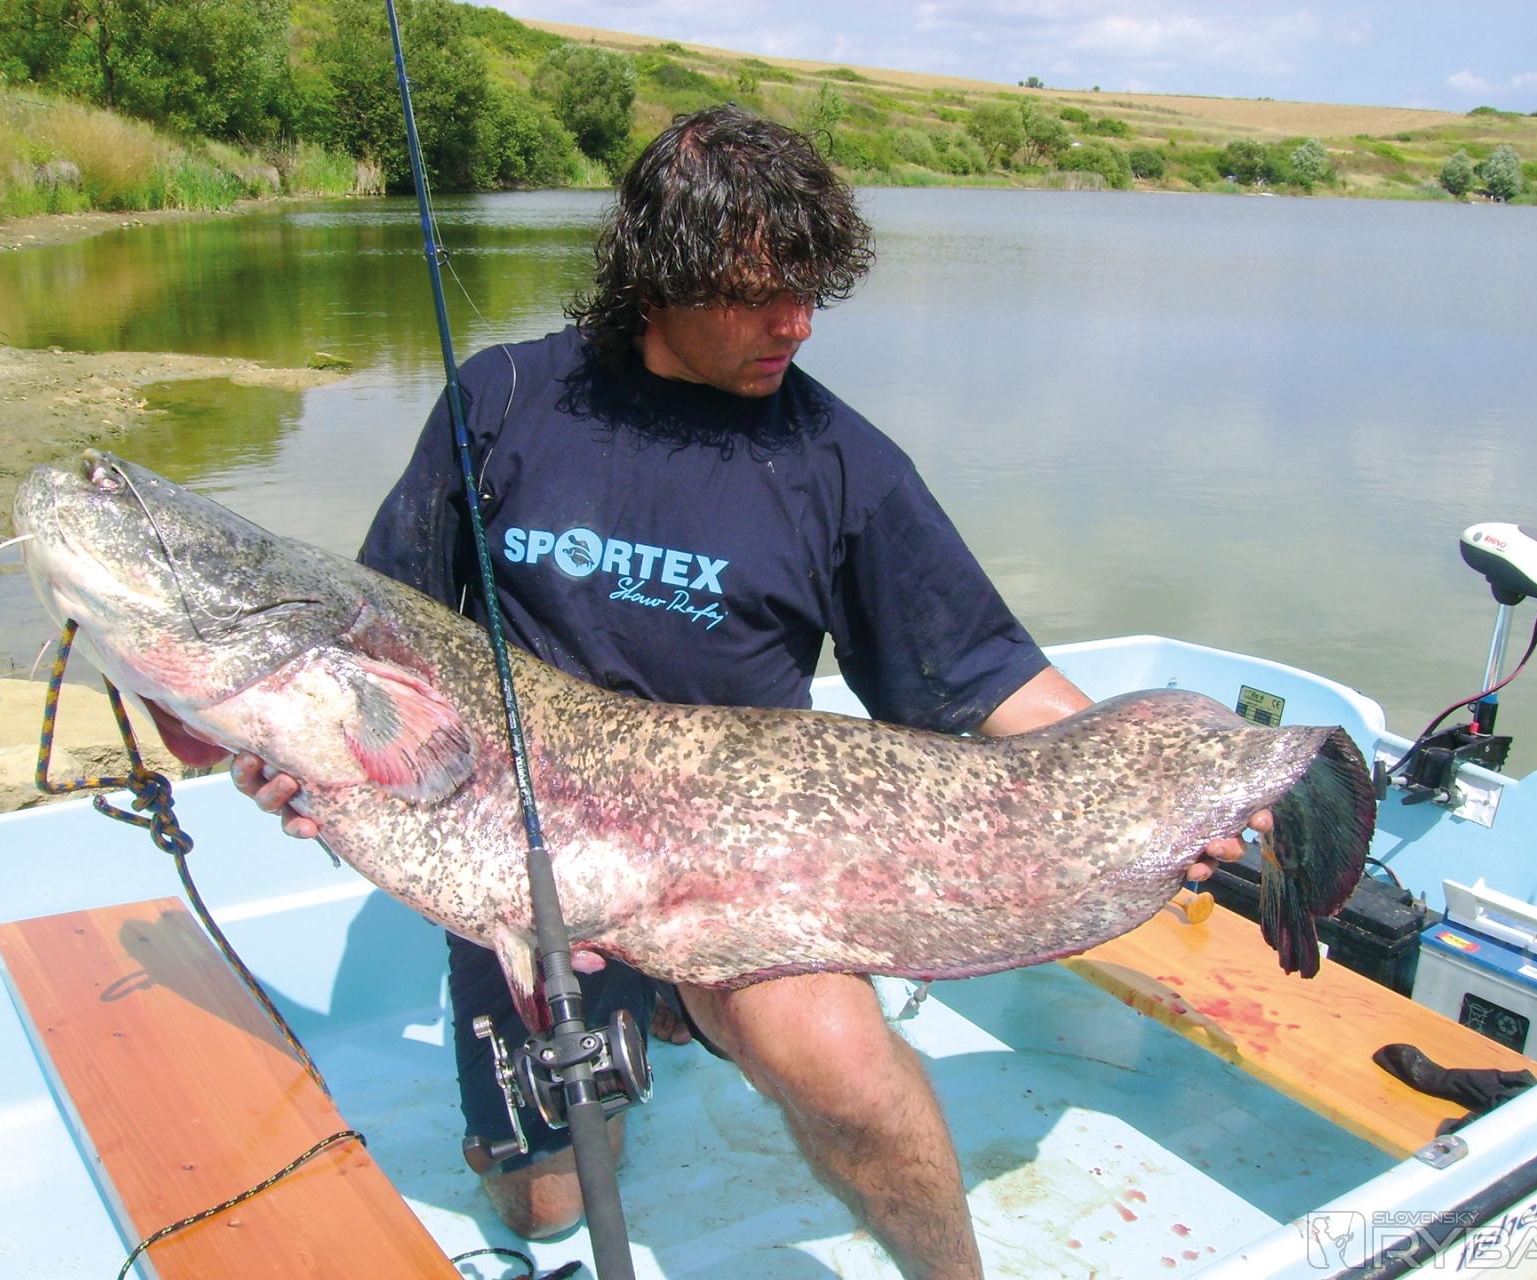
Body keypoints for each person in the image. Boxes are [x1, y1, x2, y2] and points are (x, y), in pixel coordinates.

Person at [232, 104, 1259, 1280]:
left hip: (744, 860)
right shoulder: (501, 402)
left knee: (847, 1077)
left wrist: (1165, 783)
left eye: (811, 290)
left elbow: (994, 677)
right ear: (656, 280)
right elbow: (381, 642)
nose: (797, 324)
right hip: (529, 857)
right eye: (758, 296)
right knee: (544, 1203)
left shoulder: (840, 464)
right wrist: (302, 756)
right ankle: (651, 1015)